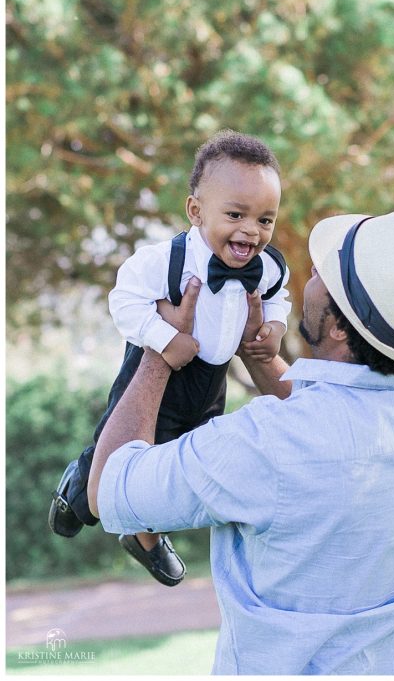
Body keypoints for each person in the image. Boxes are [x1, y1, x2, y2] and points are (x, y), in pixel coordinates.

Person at [87, 208, 394, 675]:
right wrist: (259, 354)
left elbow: (110, 488)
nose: (306, 278)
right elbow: (330, 422)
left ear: (336, 326)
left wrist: (159, 345)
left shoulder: (263, 442)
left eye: (319, 276)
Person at [48, 129, 291, 587]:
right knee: (126, 451)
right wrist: (164, 339)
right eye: (236, 215)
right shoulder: (165, 260)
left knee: (185, 456)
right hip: (158, 368)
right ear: (195, 211)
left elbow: (280, 298)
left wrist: (273, 328)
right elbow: (124, 302)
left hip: (212, 374)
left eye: (265, 220)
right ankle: (81, 494)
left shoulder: (271, 265)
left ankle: (145, 529)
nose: (251, 231)